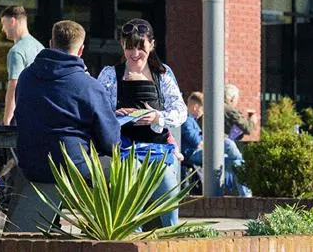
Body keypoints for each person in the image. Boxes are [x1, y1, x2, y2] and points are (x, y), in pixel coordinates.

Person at [97, 18, 187, 227]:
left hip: (158, 149)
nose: (135, 53)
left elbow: (180, 110)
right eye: (130, 47)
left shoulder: (162, 74)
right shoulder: (111, 75)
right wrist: (115, 115)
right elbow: (97, 111)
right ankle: (131, 238)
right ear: (122, 45)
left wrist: (157, 116)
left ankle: (171, 239)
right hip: (125, 149)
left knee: (168, 186)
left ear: (152, 45)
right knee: (131, 185)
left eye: (140, 47)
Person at [13, 19, 118, 185]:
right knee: (132, 170)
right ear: (81, 50)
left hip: (31, 168)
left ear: (50, 43)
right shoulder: (89, 85)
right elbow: (111, 142)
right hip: (74, 169)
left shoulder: (25, 77)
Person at [181, 92, 249, 196]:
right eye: (202, 109)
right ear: (195, 107)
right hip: (192, 154)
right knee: (228, 143)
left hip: (199, 152)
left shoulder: (192, 120)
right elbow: (196, 140)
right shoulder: (186, 119)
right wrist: (209, 140)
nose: (202, 113)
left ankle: (246, 195)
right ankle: (241, 160)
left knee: (235, 163)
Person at [0, 5, 43, 126]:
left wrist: (7, 119)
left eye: (3, 23)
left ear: (12, 21)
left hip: (25, 115)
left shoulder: (16, 51)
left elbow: (14, 85)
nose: (3, 28)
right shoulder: (40, 47)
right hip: (42, 113)